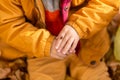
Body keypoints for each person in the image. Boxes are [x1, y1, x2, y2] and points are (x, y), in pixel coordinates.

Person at [0, 0, 120, 80]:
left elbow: (107, 3)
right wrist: (46, 44)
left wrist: (79, 26)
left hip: (87, 49)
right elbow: (9, 24)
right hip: (42, 54)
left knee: (97, 76)